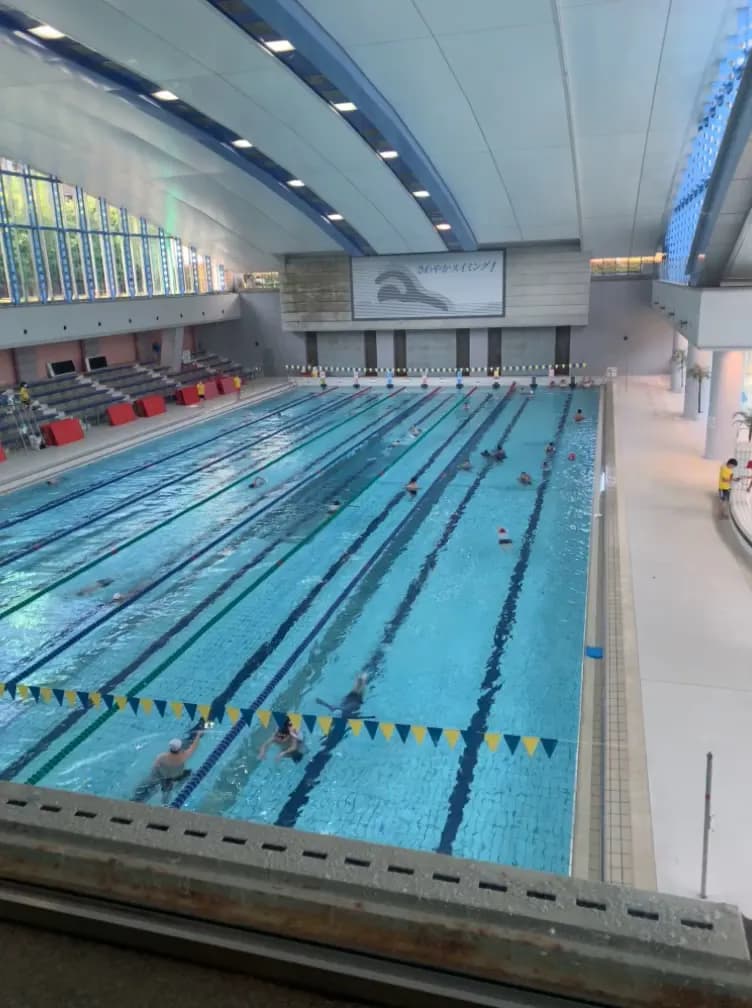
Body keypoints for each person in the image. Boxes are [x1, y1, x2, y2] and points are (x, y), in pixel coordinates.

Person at [152, 729, 205, 798]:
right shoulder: (183, 756)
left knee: (166, 794)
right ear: (180, 748)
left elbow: (155, 768)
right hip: (178, 776)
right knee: (190, 773)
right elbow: (194, 746)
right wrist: (198, 735)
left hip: (165, 777)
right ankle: (178, 787)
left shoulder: (161, 757)